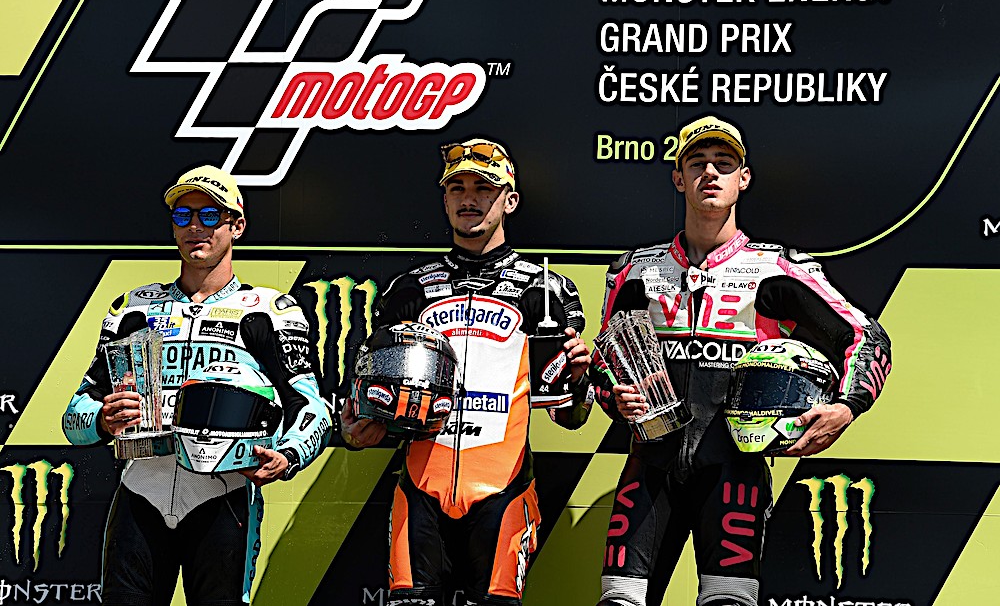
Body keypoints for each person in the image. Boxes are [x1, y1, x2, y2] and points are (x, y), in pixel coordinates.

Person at [593, 116, 892, 606]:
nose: (710, 173)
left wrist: (846, 407)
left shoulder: (777, 268)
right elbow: (605, 361)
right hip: (649, 469)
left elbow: (865, 335)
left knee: (728, 604)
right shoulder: (635, 270)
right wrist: (614, 399)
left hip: (734, 473)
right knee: (618, 603)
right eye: (697, 163)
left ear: (743, 178)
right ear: (678, 178)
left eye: (724, 163)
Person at [61, 165, 331, 606]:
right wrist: (104, 420)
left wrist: (288, 455)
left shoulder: (268, 310)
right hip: (141, 491)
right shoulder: (133, 309)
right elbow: (75, 415)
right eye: (182, 215)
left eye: (209, 216)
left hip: (223, 495)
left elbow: (313, 406)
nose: (194, 227)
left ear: (236, 226)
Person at [341, 137, 594, 606]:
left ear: (509, 201)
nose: (469, 199)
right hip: (419, 490)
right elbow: (370, 412)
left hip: (505, 489)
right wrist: (361, 428)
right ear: (444, 200)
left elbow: (571, 417)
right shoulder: (409, 289)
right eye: (457, 188)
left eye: (484, 188)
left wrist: (578, 381)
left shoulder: (546, 290)